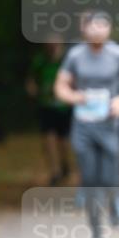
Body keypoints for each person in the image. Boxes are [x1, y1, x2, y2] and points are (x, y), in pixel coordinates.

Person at [54, 11, 119, 238]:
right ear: (85, 29)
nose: (97, 30)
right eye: (93, 26)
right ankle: (96, 233)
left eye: (102, 26)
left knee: (109, 176)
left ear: (109, 29)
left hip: (109, 126)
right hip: (83, 126)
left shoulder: (118, 54)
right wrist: (73, 96)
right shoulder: (75, 55)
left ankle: (115, 203)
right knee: (90, 179)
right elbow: (60, 86)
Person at [25, 41, 72, 185]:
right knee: (49, 137)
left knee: (63, 140)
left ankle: (65, 164)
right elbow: (31, 79)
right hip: (45, 104)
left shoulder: (68, 59)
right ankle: (55, 171)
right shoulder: (40, 60)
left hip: (64, 106)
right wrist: (32, 89)